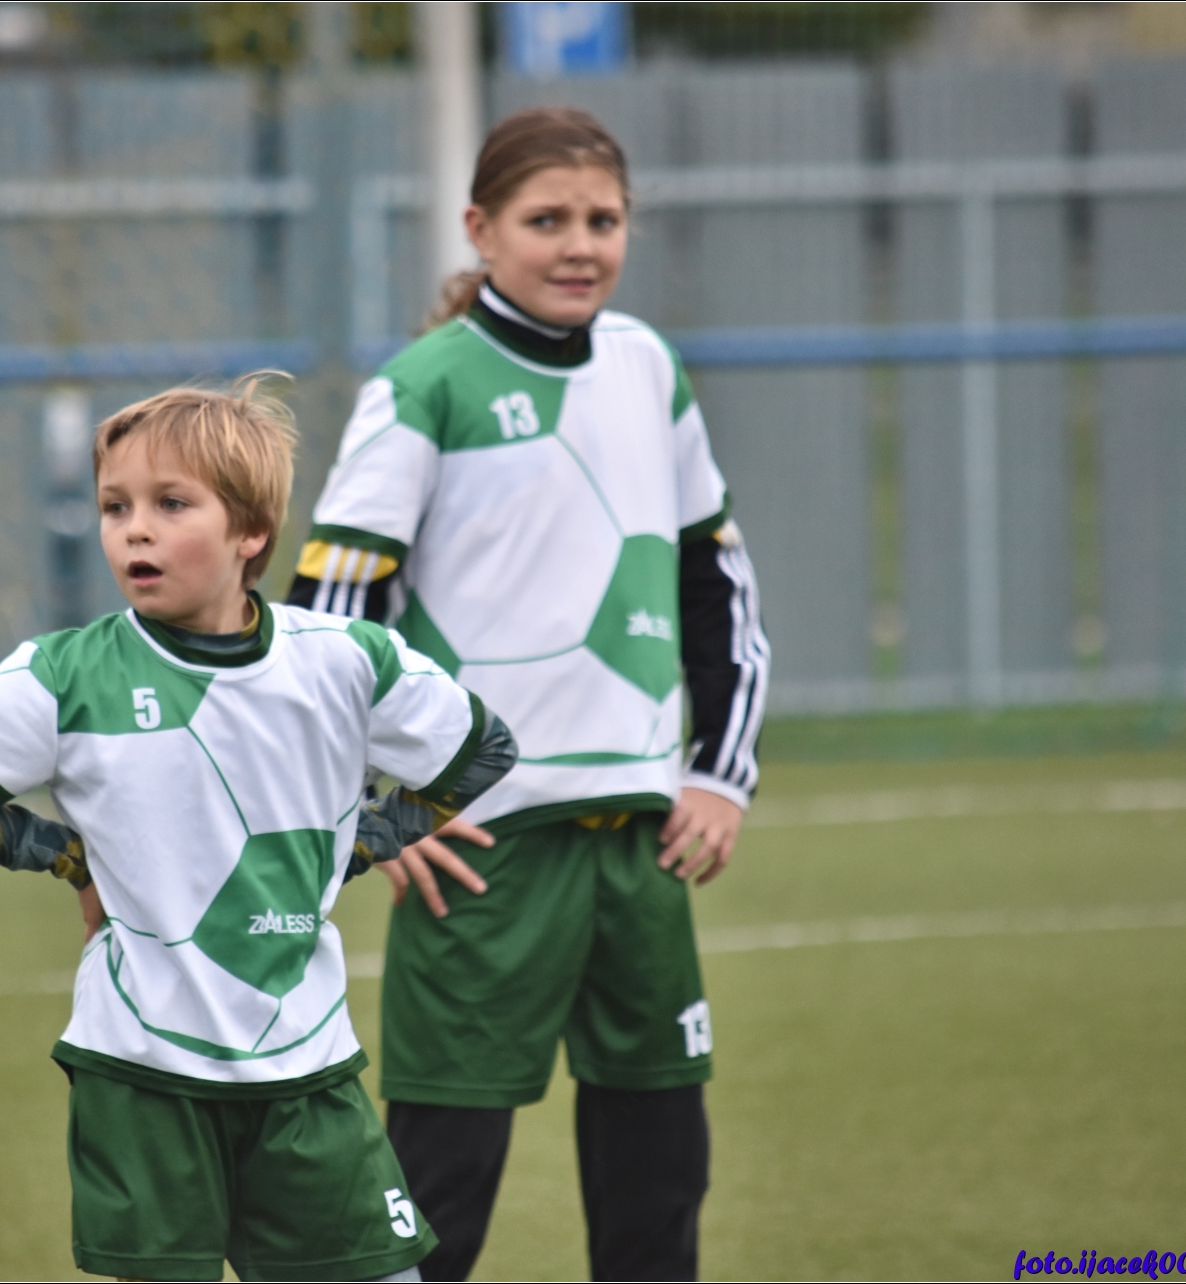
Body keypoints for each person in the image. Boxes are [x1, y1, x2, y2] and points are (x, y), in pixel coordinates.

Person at [0, 377, 519, 1283]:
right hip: (142, 1073)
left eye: (171, 504)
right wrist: (66, 857)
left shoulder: (345, 661)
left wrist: (360, 847)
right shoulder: (63, 675)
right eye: (115, 506)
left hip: (309, 1069)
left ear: (250, 531)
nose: (135, 530)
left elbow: (482, 750)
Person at [288, 108, 771, 1281]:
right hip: (481, 851)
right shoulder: (423, 386)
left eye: (602, 221)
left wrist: (720, 772)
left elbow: (717, 582)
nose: (579, 246)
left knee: (662, 1184)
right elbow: (329, 619)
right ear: (480, 228)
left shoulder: (647, 368)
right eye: (546, 220)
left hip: (643, 848)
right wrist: (375, 801)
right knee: (438, 1195)